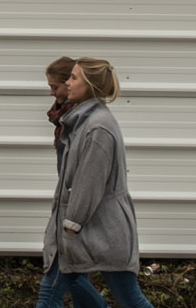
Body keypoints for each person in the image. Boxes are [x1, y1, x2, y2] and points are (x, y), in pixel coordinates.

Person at [37, 57, 154, 308]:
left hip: (98, 228)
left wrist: (71, 225)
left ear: (88, 85)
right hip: (87, 226)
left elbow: (89, 183)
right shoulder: (81, 121)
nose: (67, 83)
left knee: (126, 298)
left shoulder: (98, 126)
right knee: (116, 296)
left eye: (74, 78)